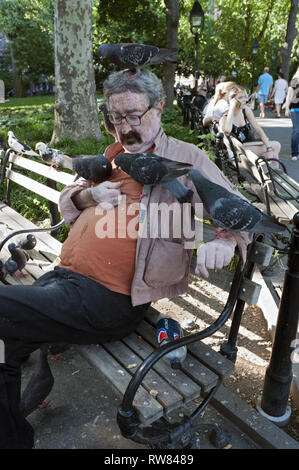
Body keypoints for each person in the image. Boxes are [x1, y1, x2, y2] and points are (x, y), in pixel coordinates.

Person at [0, 69, 251, 449]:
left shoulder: (185, 159)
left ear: (159, 107)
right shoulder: (112, 155)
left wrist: (226, 239)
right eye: (117, 117)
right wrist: (91, 197)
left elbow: (241, 212)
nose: (125, 127)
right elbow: (69, 199)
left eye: (135, 115)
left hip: (110, 300)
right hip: (63, 279)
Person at [219, 86, 281, 168]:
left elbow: (258, 129)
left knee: (276, 146)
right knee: (273, 149)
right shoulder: (225, 117)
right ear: (232, 100)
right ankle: (273, 172)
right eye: (240, 98)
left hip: (248, 146)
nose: (244, 100)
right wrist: (231, 108)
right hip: (238, 151)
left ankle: (272, 170)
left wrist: (268, 148)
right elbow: (227, 130)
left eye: (245, 97)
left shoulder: (245, 110)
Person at [285, 67, 299, 161]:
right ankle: (294, 153)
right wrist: (286, 108)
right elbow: (289, 95)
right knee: (296, 130)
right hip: (295, 109)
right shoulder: (294, 81)